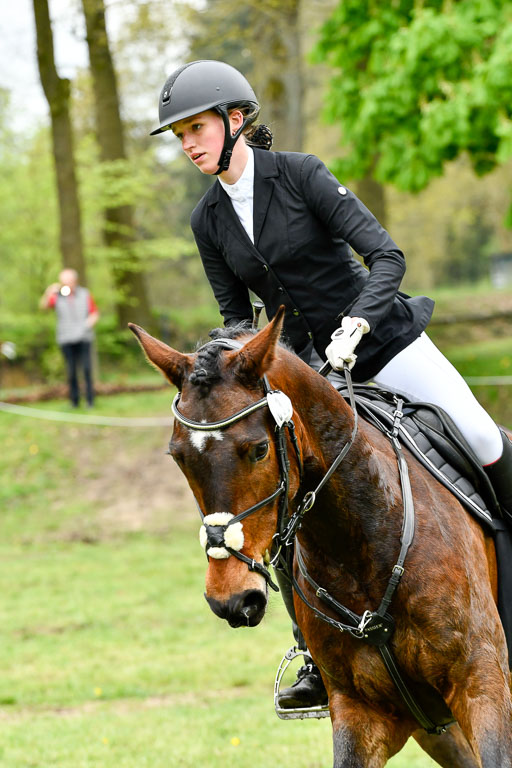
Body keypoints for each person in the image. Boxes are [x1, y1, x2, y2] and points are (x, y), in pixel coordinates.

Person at [150, 60, 512, 710]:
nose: (188, 144)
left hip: (384, 341)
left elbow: (387, 256)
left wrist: (358, 323)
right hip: (308, 378)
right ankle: (316, 657)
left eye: (196, 128)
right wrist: (222, 374)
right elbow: (235, 319)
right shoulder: (208, 220)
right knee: (286, 495)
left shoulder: (302, 174)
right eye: (180, 136)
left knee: (484, 439)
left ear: (236, 120)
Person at [40, 269, 99, 408]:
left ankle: (90, 401)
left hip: (84, 337)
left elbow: (94, 313)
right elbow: (43, 307)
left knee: (87, 369)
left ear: (75, 281)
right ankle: (74, 401)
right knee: (71, 371)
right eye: (64, 281)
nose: (66, 284)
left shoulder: (85, 294)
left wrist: (87, 324)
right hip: (65, 338)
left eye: (69, 281)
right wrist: (49, 291)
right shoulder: (57, 296)